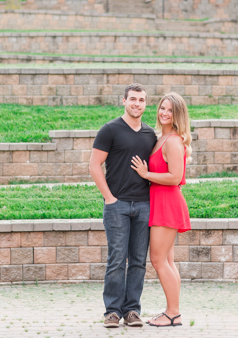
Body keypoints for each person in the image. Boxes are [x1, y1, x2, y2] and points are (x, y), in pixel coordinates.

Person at [89, 83, 158, 328]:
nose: (137, 103)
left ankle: (132, 311)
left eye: (141, 100)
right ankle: (112, 312)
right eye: (132, 99)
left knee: (138, 260)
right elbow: (94, 165)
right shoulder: (110, 130)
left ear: (145, 103)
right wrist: (109, 197)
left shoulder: (150, 135)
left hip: (143, 205)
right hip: (116, 205)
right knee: (117, 259)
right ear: (124, 101)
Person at [131, 92, 192, 327]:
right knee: (167, 260)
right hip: (160, 201)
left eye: (170, 110)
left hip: (167, 203)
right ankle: (172, 311)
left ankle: (173, 313)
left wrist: (146, 174)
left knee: (158, 260)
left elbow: (176, 177)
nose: (164, 113)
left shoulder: (174, 141)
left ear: (178, 115)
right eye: (162, 108)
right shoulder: (161, 138)